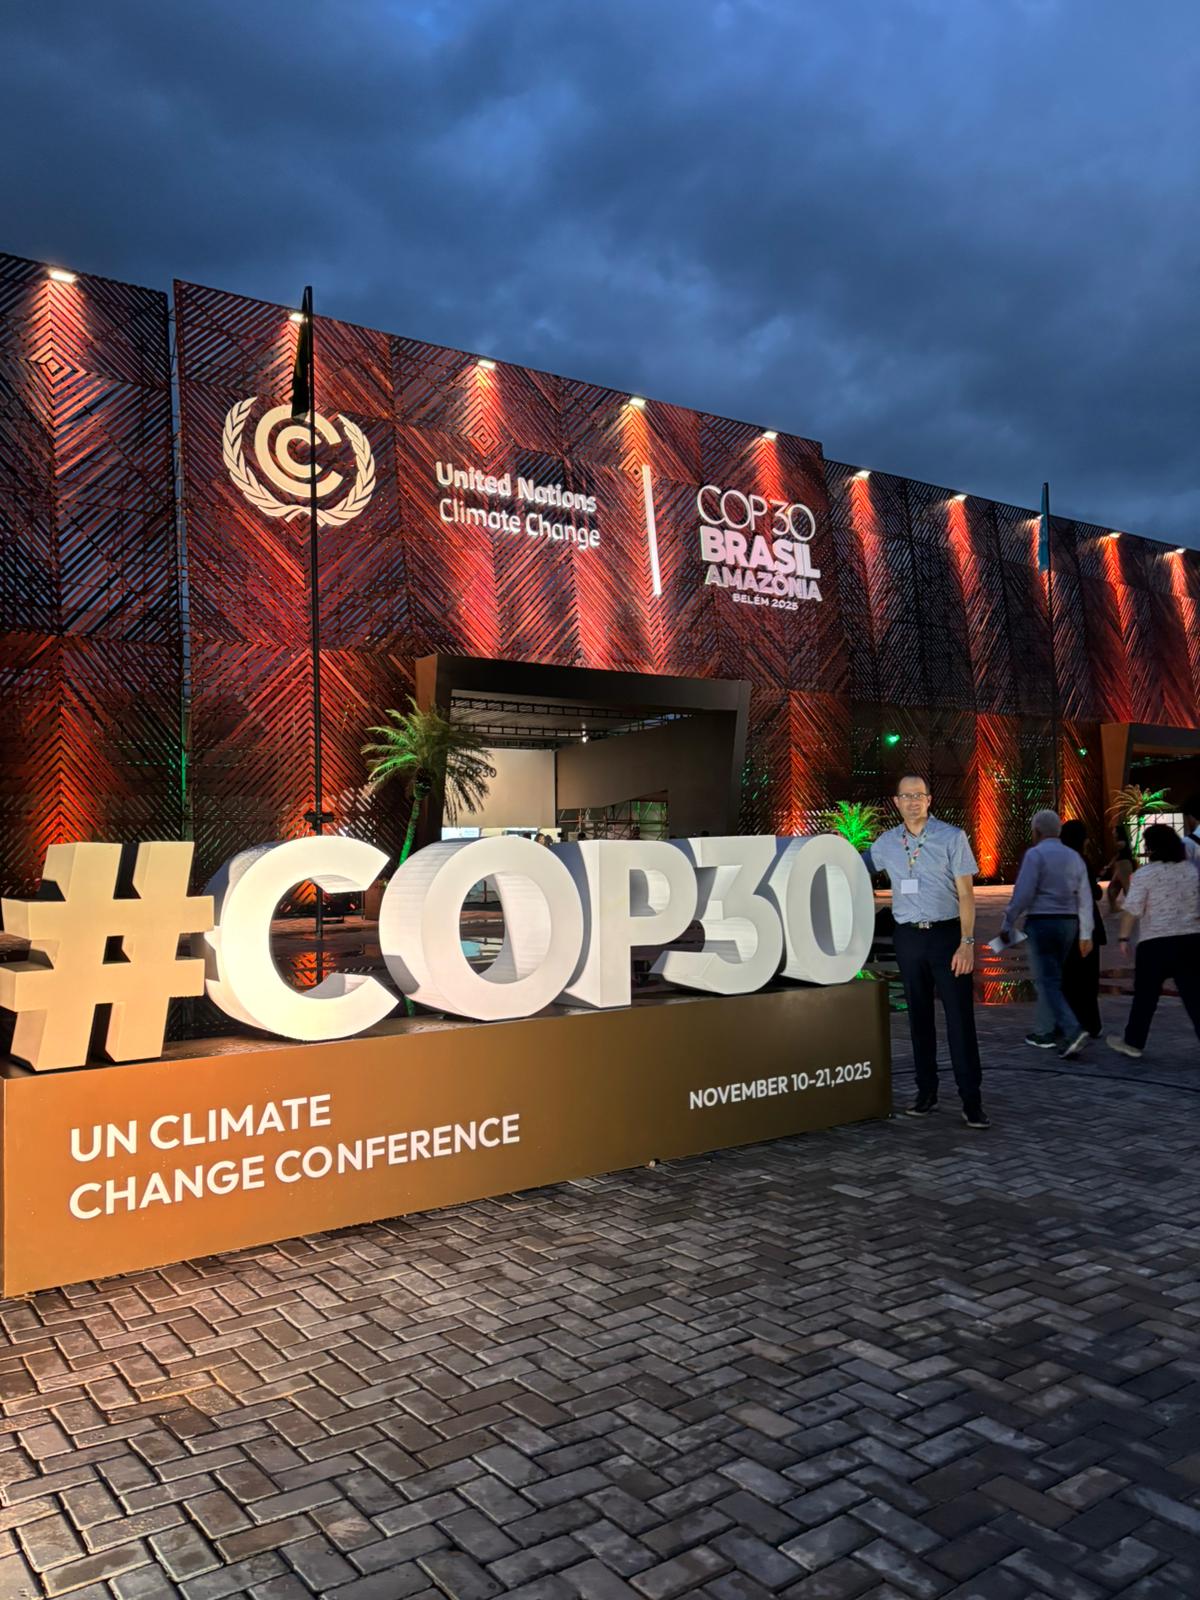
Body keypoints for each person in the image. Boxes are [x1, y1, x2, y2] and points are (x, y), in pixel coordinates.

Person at [863, 775, 987, 1129]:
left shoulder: (951, 837)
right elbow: (855, 866)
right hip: (908, 939)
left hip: (947, 937)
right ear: (896, 802)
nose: (913, 801)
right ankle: (926, 1092)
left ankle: (971, 1100)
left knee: (959, 1020)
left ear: (929, 800)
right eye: (906, 796)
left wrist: (967, 942)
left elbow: (966, 894)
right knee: (918, 1018)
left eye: (919, 795)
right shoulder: (887, 843)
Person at [998, 810, 1093, 1058]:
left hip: (1041, 921)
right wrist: (1086, 933)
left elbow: (1023, 893)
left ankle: (1072, 1029)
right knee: (1051, 978)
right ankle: (1044, 1031)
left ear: (1036, 831)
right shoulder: (1073, 856)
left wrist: (1008, 923)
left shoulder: (1035, 854)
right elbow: (1084, 896)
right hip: (1069, 923)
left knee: (1046, 980)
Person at [1107, 823, 1200, 1058]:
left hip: (1155, 943)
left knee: (1145, 997)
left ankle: (1134, 1042)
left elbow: (1132, 910)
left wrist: (1123, 937)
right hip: (1190, 940)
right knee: (1194, 996)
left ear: (1151, 847)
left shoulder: (1145, 875)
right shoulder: (1191, 871)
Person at [1060, 819, 1105, 1039]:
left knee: (1068, 977)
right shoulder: (1081, 860)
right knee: (1087, 978)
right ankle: (1089, 1022)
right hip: (1084, 925)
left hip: (1065, 925)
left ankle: (1069, 1022)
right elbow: (1092, 892)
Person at [1104, 825, 1135, 911]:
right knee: (1113, 887)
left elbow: (1115, 851)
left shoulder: (1121, 843)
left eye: (1114, 830)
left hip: (1124, 865)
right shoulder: (1120, 843)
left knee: (1125, 887)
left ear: (1118, 832)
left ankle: (1133, 906)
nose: (1113, 832)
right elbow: (1116, 856)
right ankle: (1114, 907)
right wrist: (1109, 865)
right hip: (1120, 866)